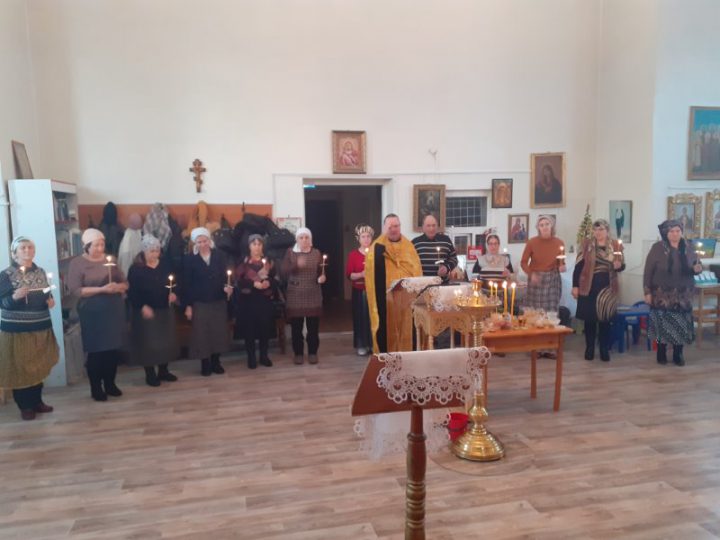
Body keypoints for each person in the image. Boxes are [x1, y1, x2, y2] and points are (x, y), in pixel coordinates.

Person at [0, 237, 59, 420]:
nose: (27, 250)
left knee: (38, 366)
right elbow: (2, 303)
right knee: (22, 369)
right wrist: (14, 297)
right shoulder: (6, 275)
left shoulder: (40, 271)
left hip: (40, 326)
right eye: (23, 248)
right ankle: (25, 405)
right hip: (18, 330)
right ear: (14, 253)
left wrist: (50, 299)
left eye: (30, 247)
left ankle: (37, 401)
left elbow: (45, 291)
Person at [67, 228, 128, 401]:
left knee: (112, 350)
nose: (100, 248)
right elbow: (76, 290)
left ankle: (110, 383)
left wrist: (118, 287)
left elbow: (125, 283)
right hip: (92, 312)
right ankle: (96, 387)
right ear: (86, 246)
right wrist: (102, 289)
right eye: (96, 245)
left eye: (102, 244)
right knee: (96, 351)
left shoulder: (111, 260)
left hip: (113, 310)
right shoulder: (77, 263)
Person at [643, 220, 702, 366]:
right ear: (665, 233)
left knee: (680, 325)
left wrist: (698, 269)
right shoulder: (657, 248)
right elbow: (648, 271)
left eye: (677, 231)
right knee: (661, 324)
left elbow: (696, 265)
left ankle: (678, 353)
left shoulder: (689, 247)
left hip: (683, 295)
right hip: (662, 295)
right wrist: (647, 292)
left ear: (681, 232)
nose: (675, 234)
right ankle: (661, 352)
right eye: (671, 231)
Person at [365, 213, 422, 353]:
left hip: (407, 300)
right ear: (384, 227)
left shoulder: (409, 247)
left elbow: (417, 271)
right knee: (386, 330)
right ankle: (387, 359)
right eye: (390, 227)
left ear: (400, 226)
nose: (393, 229)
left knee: (407, 328)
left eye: (396, 226)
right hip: (386, 300)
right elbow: (371, 274)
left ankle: (407, 357)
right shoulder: (376, 247)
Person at [127, 235, 179, 386]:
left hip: (164, 309)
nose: (155, 254)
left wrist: (174, 294)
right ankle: (150, 374)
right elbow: (132, 292)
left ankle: (163, 371)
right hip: (146, 311)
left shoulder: (165, 265)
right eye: (151, 251)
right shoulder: (136, 269)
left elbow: (174, 283)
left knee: (165, 342)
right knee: (148, 343)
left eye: (157, 251)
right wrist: (142, 306)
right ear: (144, 251)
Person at [182, 227, 233, 376]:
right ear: (195, 243)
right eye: (199, 242)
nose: (203, 244)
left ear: (209, 241)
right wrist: (188, 306)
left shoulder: (219, 256)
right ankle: (205, 363)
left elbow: (226, 277)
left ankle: (216, 362)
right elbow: (186, 284)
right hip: (200, 302)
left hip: (218, 300)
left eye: (205, 241)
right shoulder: (189, 259)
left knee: (218, 332)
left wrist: (228, 287)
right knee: (202, 334)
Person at [571, 220, 625, 362]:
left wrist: (619, 266)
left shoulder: (615, 245)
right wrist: (575, 286)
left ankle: (603, 349)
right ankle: (589, 348)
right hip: (588, 287)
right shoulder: (586, 245)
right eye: (595, 230)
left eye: (601, 229)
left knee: (605, 320)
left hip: (608, 289)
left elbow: (621, 265)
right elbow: (578, 266)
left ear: (607, 231)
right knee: (590, 320)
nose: (598, 232)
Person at [520, 216, 566, 357]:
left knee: (551, 313)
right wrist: (531, 274)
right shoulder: (532, 242)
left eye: (547, 224)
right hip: (536, 280)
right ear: (538, 228)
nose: (545, 227)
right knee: (535, 314)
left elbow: (561, 263)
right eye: (541, 225)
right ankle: (536, 348)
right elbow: (523, 262)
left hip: (552, 279)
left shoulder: (559, 242)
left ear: (552, 226)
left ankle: (550, 348)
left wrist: (562, 267)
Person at [281, 227, 326, 365]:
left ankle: (312, 353)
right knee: (296, 328)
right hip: (295, 295)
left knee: (313, 328)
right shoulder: (290, 252)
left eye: (307, 237)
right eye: (301, 237)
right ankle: (298, 354)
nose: (304, 240)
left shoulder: (316, 253)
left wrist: (322, 277)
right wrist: (296, 264)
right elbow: (284, 271)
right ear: (297, 239)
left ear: (310, 239)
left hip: (313, 294)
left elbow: (321, 270)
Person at [234, 234, 277, 369]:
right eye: (254, 244)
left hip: (264, 300)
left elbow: (275, 279)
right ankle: (251, 357)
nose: (257, 247)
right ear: (249, 246)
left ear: (263, 246)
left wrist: (269, 283)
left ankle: (264, 356)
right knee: (250, 330)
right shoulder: (243, 262)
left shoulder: (269, 261)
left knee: (265, 329)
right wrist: (253, 284)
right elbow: (238, 282)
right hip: (248, 301)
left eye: (259, 244)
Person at [345, 224, 374, 356]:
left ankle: (373, 344)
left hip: (373, 291)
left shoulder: (375, 253)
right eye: (363, 236)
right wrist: (361, 274)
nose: (366, 239)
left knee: (372, 318)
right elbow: (349, 275)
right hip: (359, 291)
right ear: (358, 238)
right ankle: (361, 344)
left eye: (368, 236)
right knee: (360, 318)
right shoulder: (353, 255)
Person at [411, 214, 457, 282]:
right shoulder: (415, 243)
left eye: (433, 225)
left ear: (437, 226)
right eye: (428, 225)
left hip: (442, 283)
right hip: (422, 283)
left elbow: (454, 259)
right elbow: (410, 263)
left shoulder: (446, 240)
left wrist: (446, 268)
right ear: (423, 227)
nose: (431, 228)